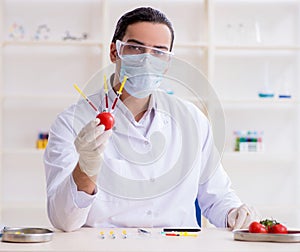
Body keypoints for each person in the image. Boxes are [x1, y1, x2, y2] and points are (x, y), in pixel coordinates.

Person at [44, 7, 259, 232]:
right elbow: (63, 221)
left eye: (158, 52)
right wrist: (85, 169)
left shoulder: (192, 119)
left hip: (178, 245)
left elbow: (216, 197)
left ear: (167, 63)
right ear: (114, 52)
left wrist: (234, 213)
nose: (147, 60)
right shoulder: (70, 122)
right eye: (136, 48)